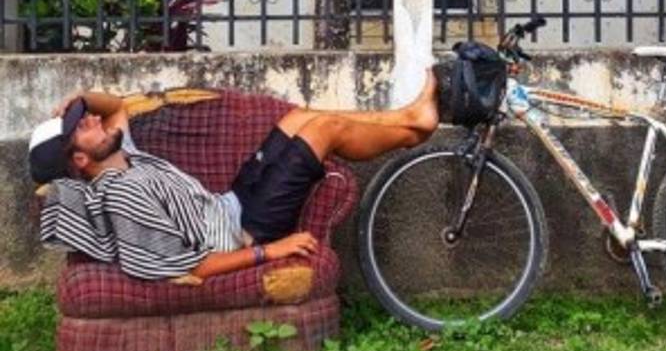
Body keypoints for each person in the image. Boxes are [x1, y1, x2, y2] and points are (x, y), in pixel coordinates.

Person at [28, 73, 438, 282]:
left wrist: (79, 100)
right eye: (84, 126)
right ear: (81, 160)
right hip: (247, 229)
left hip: (234, 200)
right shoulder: (122, 196)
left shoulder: (124, 157)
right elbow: (191, 267)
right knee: (322, 130)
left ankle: (410, 118)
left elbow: (115, 105)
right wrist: (270, 252)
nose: (95, 119)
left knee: (299, 118)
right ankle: (411, 130)